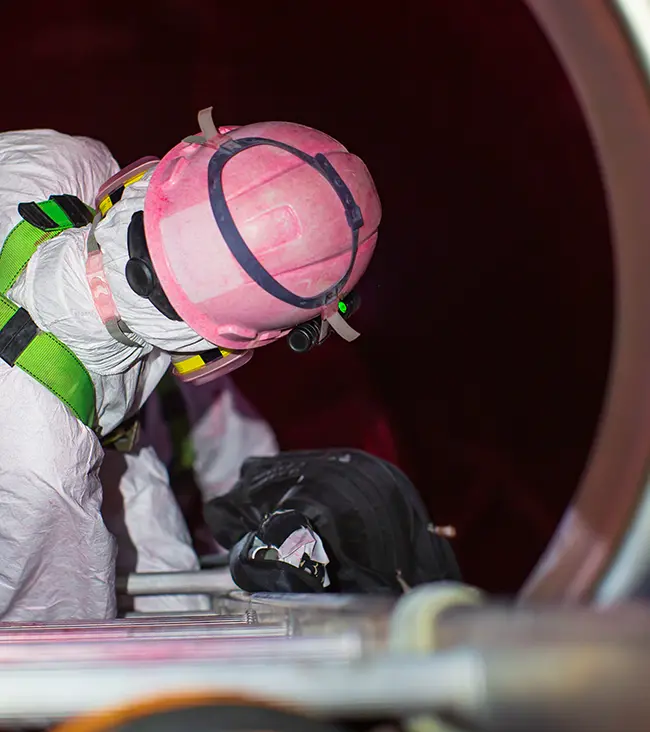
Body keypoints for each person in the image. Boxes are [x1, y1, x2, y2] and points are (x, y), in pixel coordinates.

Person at [0, 109, 381, 620]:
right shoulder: (42, 468)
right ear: (223, 341)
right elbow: (54, 636)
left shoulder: (61, 165)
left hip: (84, 447)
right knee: (173, 620)